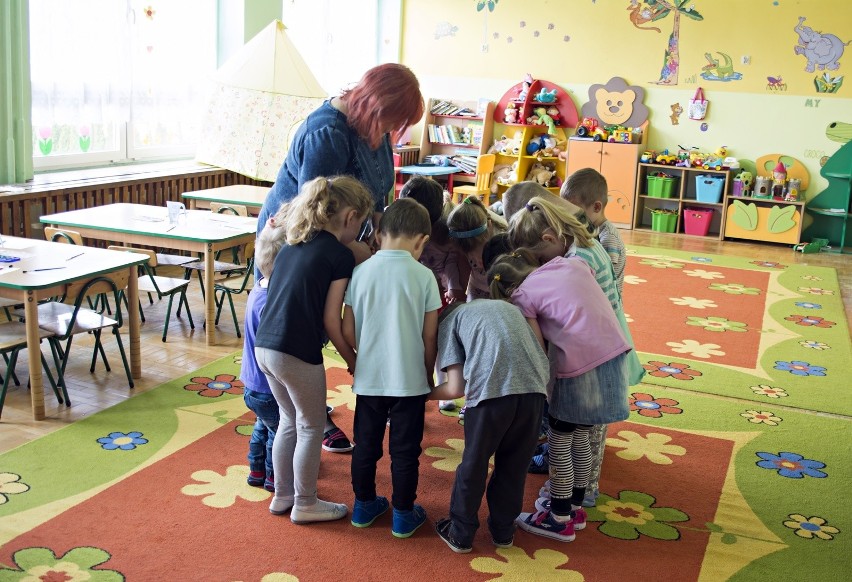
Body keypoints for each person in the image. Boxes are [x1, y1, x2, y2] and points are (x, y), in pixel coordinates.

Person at [489, 247, 631, 542]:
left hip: (578, 368)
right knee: (581, 436)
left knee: (560, 441)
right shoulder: (571, 263)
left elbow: (537, 349)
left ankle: (559, 517)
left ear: (510, 290)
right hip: (615, 356)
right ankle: (575, 509)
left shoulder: (522, 296)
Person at [254, 176, 373, 524]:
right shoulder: (338, 256)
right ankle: (305, 503)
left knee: (289, 421)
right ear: (350, 217)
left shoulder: (293, 244)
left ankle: (283, 496)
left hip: (265, 347)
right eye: (362, 223)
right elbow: (332, 320)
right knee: (311, 424)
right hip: (296, 350)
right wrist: (354, 360)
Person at [256, 63, 425, 266]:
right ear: (377, 108)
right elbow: (315, 215)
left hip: (339, 239)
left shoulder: (376, 126)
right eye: (394, 122)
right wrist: (353, 247)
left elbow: (378, 185)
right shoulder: (327, 134)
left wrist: (378, 221)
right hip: (293, 244)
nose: (395, 129)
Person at [342, 198, 441, 538]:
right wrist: (427, 374)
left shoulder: (361, 271)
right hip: (410, 381)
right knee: (405, 451)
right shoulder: (425, 276)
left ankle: (363, 505)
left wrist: (363, 354)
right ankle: (402, 513)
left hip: (369, 378)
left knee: (365, 444)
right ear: (422, 240)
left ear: (380, 232)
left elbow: (347, 330)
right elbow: (430, 336)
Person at [429, 296, 549, 553]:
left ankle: (460, 533)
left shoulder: (449, 323)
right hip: (535, 394)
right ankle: (504, 531)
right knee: (514, 465)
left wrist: (419, 394)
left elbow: (454, 387)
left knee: (474, 462)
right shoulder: (505, 308)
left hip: (491, 396)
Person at [561, 168, 629, 506]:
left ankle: (588, 487)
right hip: (592, 330)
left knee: (595, 420)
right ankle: (571, 471)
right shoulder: (589, 234)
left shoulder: (607, 240)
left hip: (604, 332)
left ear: (596, 207)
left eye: (573, 213)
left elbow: (602, 292)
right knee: (579, 419)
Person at [398, 176, 464, 412]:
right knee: (410, 342)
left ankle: (442, 387)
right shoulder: (398, 228)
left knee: (435, 340)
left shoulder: (444, 232)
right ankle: (407, 390)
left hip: (433, 291)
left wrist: (453, 286)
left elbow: (452, 260)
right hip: (408, 291)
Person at [561, 168, 626, 295]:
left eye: (574, 210)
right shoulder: (587, 227)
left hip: (607, 301)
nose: (568, 215)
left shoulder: (608, 237)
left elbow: (605, 274)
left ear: (596, 207)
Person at [446, 196, 507, 300]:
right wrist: (459, 294)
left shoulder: (505, 242)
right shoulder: (463, 240)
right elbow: (463, 265)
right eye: (470, 255)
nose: (478, 261)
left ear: (489, 225)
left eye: (483, 253)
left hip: (501, 293)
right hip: (476, 289)